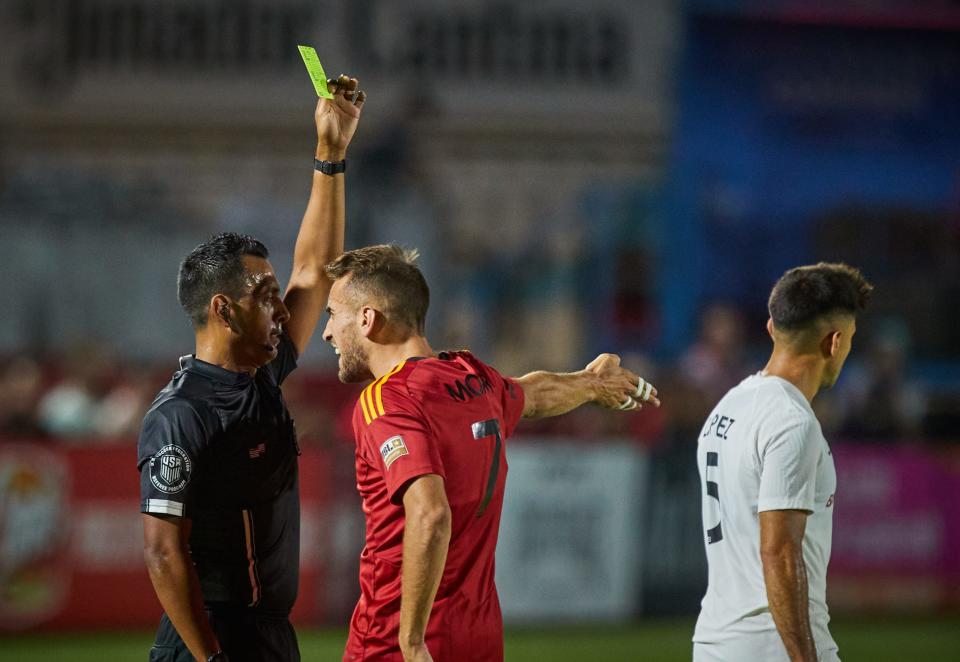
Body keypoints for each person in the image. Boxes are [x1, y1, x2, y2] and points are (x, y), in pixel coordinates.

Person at [321, 245, 660, 662]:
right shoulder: (473, 378)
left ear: (368, 319)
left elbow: (430, 514)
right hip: (478, 637)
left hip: (397, 643)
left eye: (333, 315)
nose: (327, 333)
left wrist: (410, 640)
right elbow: (533, 394)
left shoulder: (386, 402)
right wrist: (590, 383)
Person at [137, 75, 365, 662]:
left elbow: (315, 270)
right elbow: (163, 552)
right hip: (210, 643)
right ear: (223, 310)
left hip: (268, 637)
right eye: (264, 293)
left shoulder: (260, 373)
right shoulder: (180, 414)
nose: (281, 304)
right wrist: (211, 658)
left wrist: (331, 155)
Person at [692, 263, 873, 662]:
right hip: (771, 647)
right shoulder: (792, 422)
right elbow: (778, 552)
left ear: (772, 329)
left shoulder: (728, 407)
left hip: (714, 644)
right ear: (835, 342)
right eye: (852, 340)